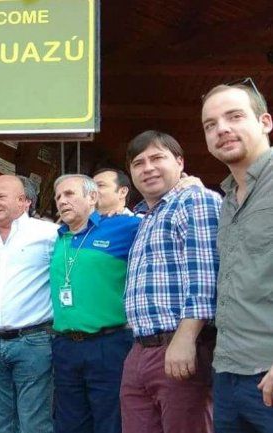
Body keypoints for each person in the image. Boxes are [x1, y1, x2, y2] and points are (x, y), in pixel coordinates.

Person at [121, 130, 221, 433]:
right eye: (138, 163)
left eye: (157, 158)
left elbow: (206, 273)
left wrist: (186, 338)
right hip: (140, 349)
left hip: (178, 344)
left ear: (179, 162)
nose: (147, 168)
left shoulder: (195, 200)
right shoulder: (145, 216)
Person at [202, 79, 273, 432]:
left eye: (234, 116)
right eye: (210, 125)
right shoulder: (227, 198)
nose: (221, 129)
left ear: (265, 122)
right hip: (228, 372)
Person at [49, 174, 140, 433]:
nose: (62, 201)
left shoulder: (125, 227)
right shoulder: (58, 237)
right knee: (69, 424)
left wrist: (185, 187)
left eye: (69, 194)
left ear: (92, 197)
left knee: (111, 421)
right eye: (58, 197)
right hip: (65, 346)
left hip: (108, 344)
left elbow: (159, 222)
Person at [0, 174, 58, 433]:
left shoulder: (49, 234)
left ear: (24, 201)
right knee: (0, 421)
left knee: (34, 422)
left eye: (1, 197)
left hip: (34, 341)